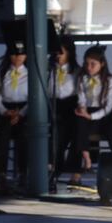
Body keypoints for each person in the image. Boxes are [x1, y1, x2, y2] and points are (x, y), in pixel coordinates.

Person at [72, 45, 112, 185]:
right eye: (86, 64)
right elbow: (81, 98)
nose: (89, 67)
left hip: (102, 114)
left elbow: (109, 107)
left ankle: (83, 165)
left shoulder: (111, 80)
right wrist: (82, 109)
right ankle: (86, 156)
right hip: (87, 111)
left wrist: (91, 116)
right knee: (78, 123)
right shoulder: (82, 78)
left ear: (102, 64)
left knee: (82, 127)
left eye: (93, 64)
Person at [0, 44, 29, 187]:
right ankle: (0, 173)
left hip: (24, 110)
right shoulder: (2, 73)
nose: (17, 57)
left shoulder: (30, 73)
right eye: (14, 54)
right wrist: (4, 111)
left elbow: (33, 97)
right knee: (2, 135)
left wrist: (21, 113)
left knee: (24, 135)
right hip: (6, 110)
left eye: (21, 54)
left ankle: (23, 172)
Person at [48, 36, 79, 184]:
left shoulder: (76, 71)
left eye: (61, 53)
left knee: (62, 133)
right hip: (52, 105)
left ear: (69, 54)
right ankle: (50, 167)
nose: (58, 56)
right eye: (56, 53)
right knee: (51, 132)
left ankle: (58, 168)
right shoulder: (50, 69)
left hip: (70, 107)